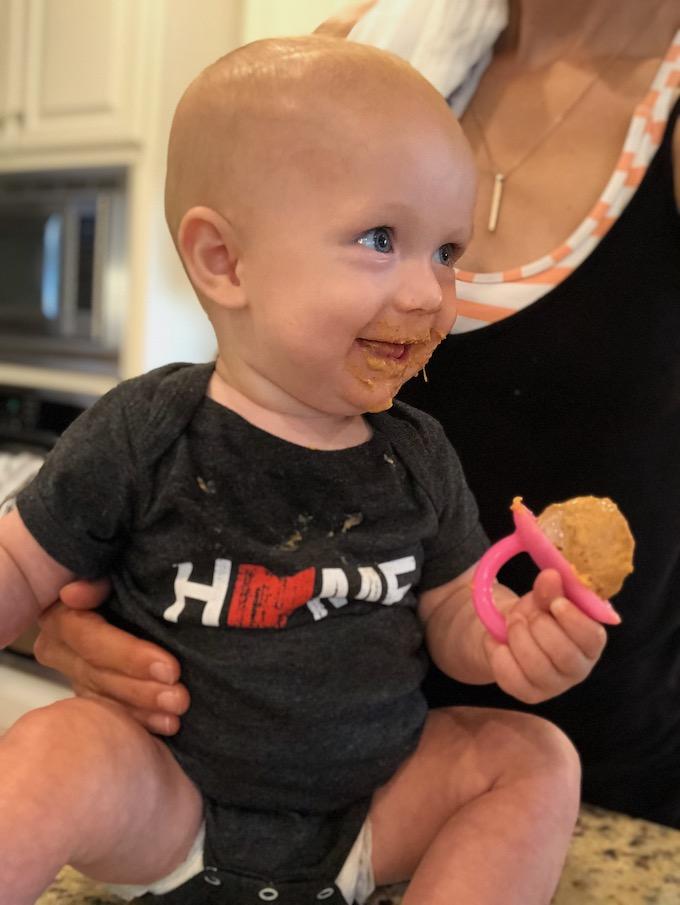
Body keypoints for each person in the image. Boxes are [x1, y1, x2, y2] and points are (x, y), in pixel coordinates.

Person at [38, 0, 680, 831]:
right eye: (380, 238)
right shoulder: (353, 58)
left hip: (550, 782)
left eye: (448, 254)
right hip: (201, 762)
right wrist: (65, 591)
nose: (425, 294)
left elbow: (457, 604)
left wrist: (511, 635)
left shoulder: (423, 456)